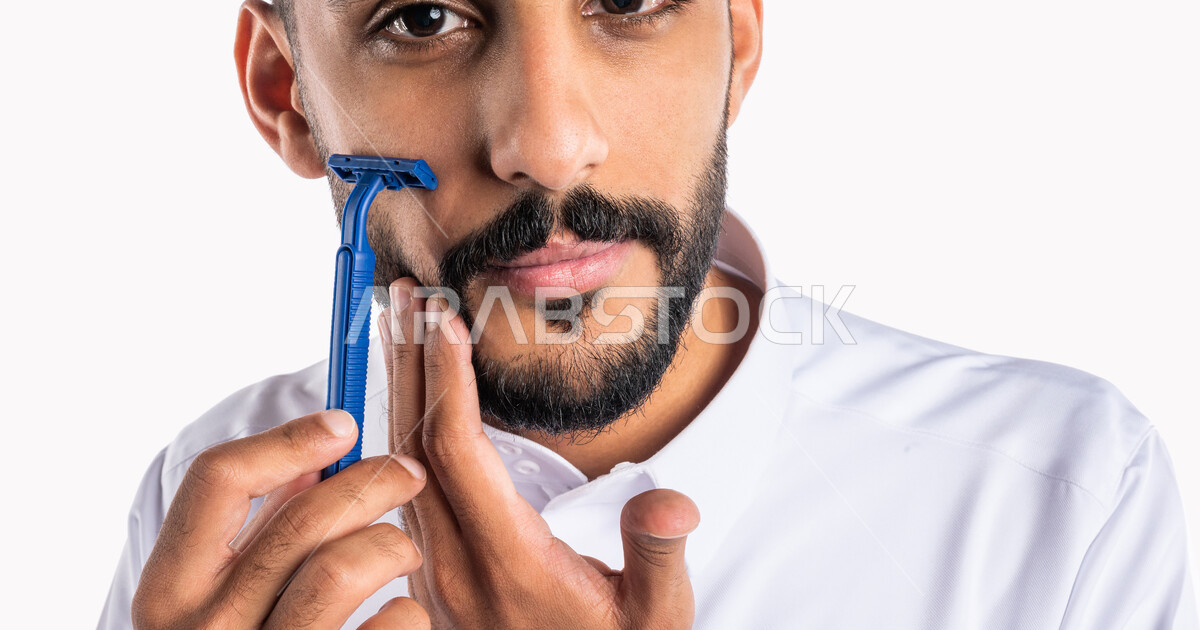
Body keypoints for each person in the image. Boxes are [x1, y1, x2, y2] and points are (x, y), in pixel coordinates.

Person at [100, 0, 1198, 628]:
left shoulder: (1067, 500)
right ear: (288, 96)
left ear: (739, 43)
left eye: (628, 0)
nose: (548, 143)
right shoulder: (217, 514)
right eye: (423, 16)